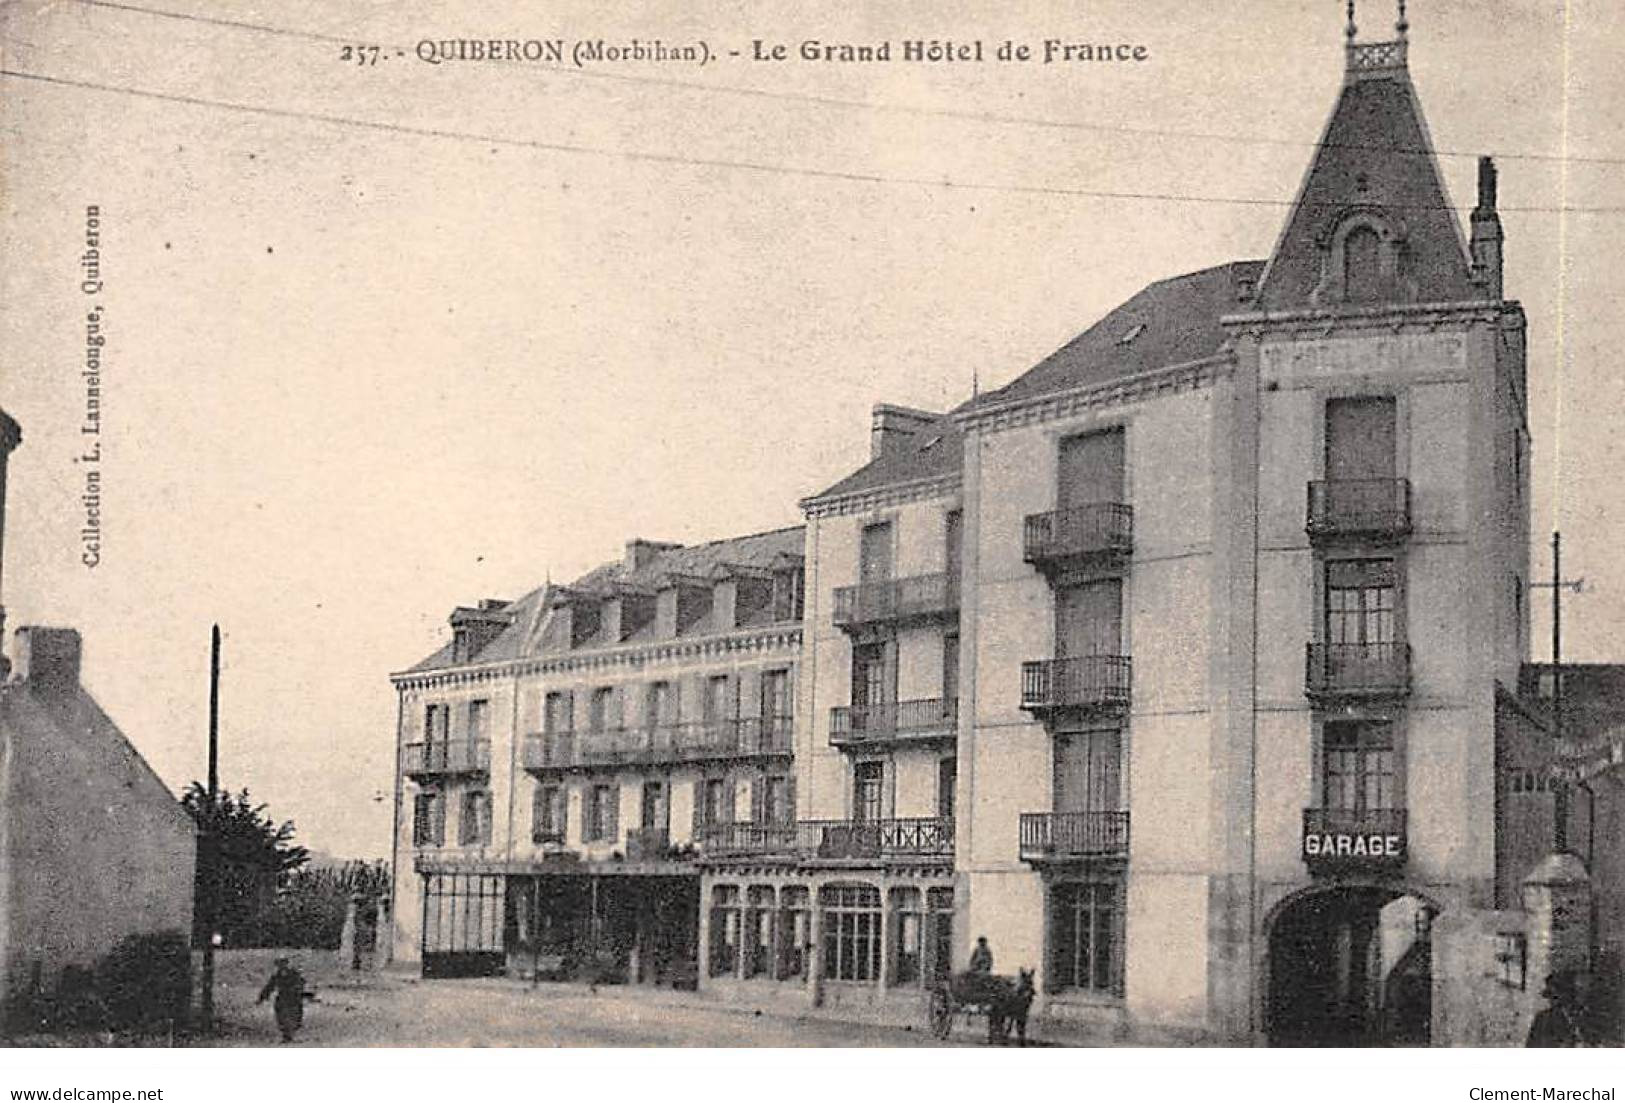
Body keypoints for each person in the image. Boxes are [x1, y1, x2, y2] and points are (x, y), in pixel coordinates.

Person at [258, 957, 314, 1043]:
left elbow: (302, 984)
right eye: (279, 964)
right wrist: (262, 997)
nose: (281, 966)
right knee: (282, 1017)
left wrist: (304, 994)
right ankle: (286, 1035)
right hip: (283, 998)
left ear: (286, 964)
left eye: (283, 963)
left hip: (293, 998)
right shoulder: (277, 976)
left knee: (294, 1017)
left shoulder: (294, 974)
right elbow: (269, 987)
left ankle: (290, 1034)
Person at [1526, 971, 1588, 1047]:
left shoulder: (1578, 1018)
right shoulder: (1542, 1018)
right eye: (1551, 996)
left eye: (1556, 997)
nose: (1552, 1001)